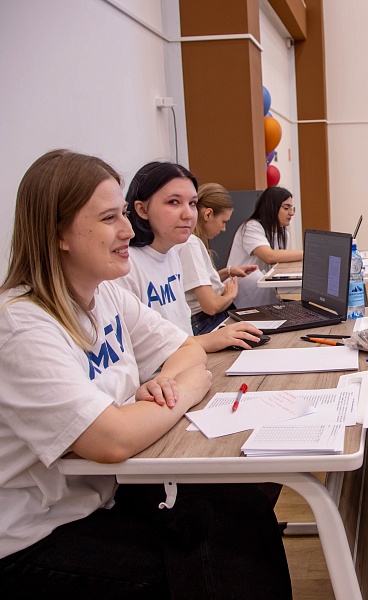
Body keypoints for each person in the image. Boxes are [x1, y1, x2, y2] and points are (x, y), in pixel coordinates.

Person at [0, 150, 292, 598]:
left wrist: (165, 385)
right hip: (34, 534)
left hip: (100, 494)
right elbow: (110, 439)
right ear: (58, 233)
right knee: (216, 551)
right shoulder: (23, 327)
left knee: (240, 503)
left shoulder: (104, 295)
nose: (126, 230)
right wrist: (186, 387)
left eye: (123, 213)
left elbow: (185, 347)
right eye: (108, 218)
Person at [119, 161, 264, 352]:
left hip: (189, 356)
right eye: (173, 202)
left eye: (192, 203)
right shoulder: (126, 266)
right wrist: (207, 340)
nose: (188, 214)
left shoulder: (171, 253)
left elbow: (180, 328)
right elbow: (143, 349)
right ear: (142, 210)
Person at [177, 182, 258, 335]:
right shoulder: (190, 244)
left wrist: (227, 272)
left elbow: (196, 285)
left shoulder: (189, 242)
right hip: (204, 322)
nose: (223, 228)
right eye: (223, 222)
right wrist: (230, 295)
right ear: (208, 214)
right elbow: (211, 306)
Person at [227, 186, 303, 308]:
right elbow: (269, 256)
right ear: (271, 207)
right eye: (286, 208)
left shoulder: (283, 233)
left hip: (264, 291)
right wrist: (307, 253)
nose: (291, 213)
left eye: (292, 208)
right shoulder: (252, 227)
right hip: (241, 293)